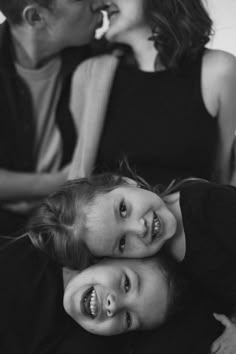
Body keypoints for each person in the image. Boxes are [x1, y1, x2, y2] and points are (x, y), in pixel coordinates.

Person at [68, 0, 236, 187]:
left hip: (195, 214)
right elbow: (82, 180)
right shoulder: (89, 75)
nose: (104, 3)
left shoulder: (220, 70)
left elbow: (223, 176)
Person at [0, 0, 103, 235]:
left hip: (70, 221)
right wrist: (59, 181)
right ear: (35, 17)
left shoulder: (98, 59)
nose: (99, 4)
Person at [0, 234, 186, 351]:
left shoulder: (77, 344)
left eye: (129, 319)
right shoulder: (42, 246)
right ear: (109, 256)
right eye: (127, 284)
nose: (114, 306)